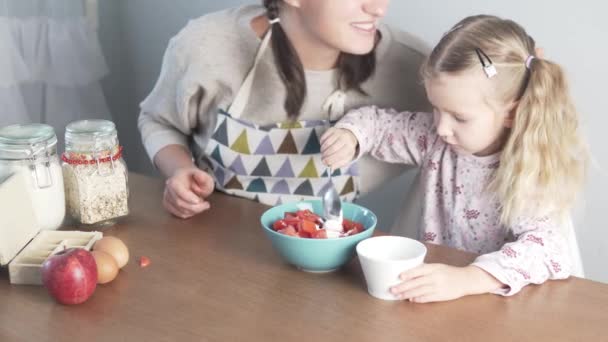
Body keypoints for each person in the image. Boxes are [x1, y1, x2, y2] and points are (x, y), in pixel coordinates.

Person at [320, 15, 589, 302]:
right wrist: (351, 135)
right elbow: (380, 125)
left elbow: (547, 247)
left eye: (459, 117)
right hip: (437, 291)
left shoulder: (527, 167)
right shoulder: (434, 140)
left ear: (511, 113)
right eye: (437, 109)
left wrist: (468, 279)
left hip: (499, 302)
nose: (441, 127)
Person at [138, 1, 429, 218]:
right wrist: (180, 170)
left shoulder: (419, 71)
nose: (378, 8)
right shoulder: (207, 45)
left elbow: (466, 150)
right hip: (208, 247)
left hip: (325, 268)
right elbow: (159, 120)